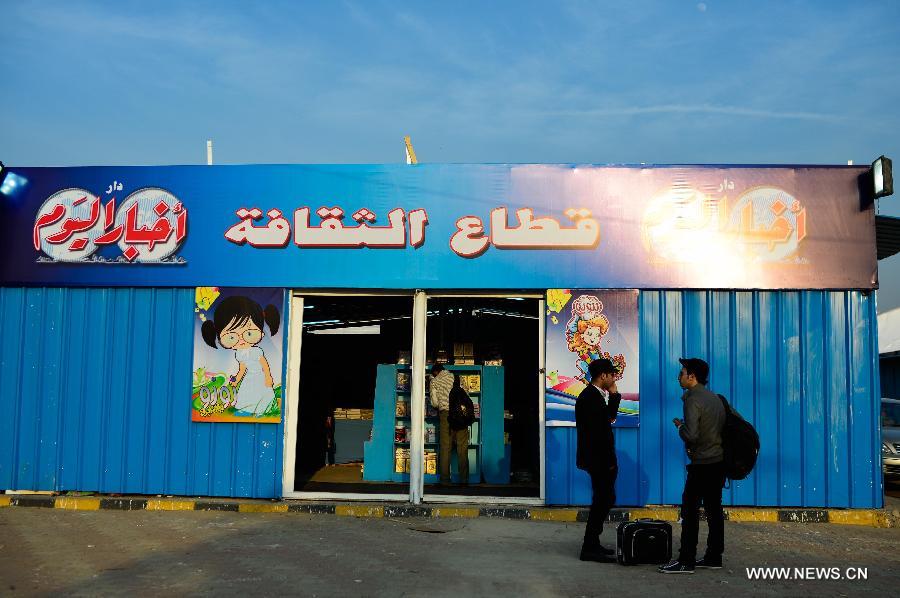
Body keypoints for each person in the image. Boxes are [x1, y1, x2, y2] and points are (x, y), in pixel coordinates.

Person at [659, 357, 727, 574]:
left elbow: (692, 435)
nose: (678, 376)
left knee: (689, 510)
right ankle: (714, 557)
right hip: (717, 463)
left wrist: (681, 428)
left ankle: (686, 560)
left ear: (692, 376)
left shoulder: (692, 399)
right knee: (714, 512)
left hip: (702, 465)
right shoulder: (715, 398)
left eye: (682, 372)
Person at [201, 295, 280, 417]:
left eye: (249, 333)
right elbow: (242, 368)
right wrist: (237, 379)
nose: (242, 340)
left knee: (263, 394)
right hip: (249, 377)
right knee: (246, 393)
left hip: (260, 377)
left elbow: (264, 364)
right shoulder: (239, 354)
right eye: (231, 337)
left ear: (261, 332)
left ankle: (263, 410)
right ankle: (247, 410)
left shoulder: (256, 351)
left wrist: (268, 378)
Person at [575, 358, 622, 562]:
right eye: (612, 375)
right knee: (603, 500)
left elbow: (608, 418)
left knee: (604, 499)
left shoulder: (595, 396)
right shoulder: (590, 398)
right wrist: (608, 461)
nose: (614, 378)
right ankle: (589, 546)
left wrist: (614, 395)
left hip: (598, 458)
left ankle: (593, 543)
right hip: (599, 459)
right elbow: (599, 433)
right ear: (603, 375)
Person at [430, 363, 468, 485]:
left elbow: (435, 403)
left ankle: (445, 480)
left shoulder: (434, 382)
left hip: (445, 414)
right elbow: (466, 394)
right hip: (460, 414)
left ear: (435, 372)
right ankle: (464, 479)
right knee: (462, 447)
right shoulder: (457, 378)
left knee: (445, 447)